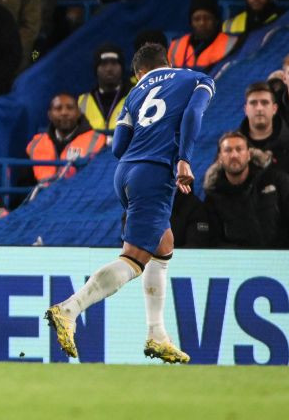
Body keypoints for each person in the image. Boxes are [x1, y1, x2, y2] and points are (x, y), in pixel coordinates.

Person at [46, 42, 214, 364]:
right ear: (168, 62)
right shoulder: (197, 79)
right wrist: (183, 159)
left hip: (125, 173)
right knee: (134, 260)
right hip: (154, 173)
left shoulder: (134, 94)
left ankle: (157, 334)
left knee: (163, 246)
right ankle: (69, 310)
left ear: (139, 73)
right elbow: (193, 114)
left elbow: (118, 144)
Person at [202, 130, 289, 249]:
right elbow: (214, 242)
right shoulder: (213, 197)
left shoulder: (277, 180)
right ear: (220, 158)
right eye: (228, 150)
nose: (234, 155)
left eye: (239, 149)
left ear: (249, 154)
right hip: (239, 264)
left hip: (282, 261)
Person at [25, 93, 107, 184]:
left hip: (81, 196)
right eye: (58, 108)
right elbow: (25, 182)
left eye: (70, 108)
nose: (64, 113)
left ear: (79, 113)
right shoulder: (35, 144)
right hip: (43, 196)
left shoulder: (98, 141)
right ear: (50, 115)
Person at [240, 81, 289, 179]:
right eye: (253, 103)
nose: (259, 108)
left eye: (265, 103)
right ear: (246, 109)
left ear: (274, 109)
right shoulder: (230, 147)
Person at [167, 0, 237, 71]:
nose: (202, 23)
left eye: (207, 18)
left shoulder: (232, 43)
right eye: (197, 19)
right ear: (191, 22)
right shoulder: (175, 46)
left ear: (216, 20)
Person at [77, 43, 130, 136]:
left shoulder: (136, 96)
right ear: (96, 69)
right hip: (93, 150)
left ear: (122, 68)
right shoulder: (82, 101)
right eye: (104, 64)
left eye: (114, 63)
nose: (109, 68)